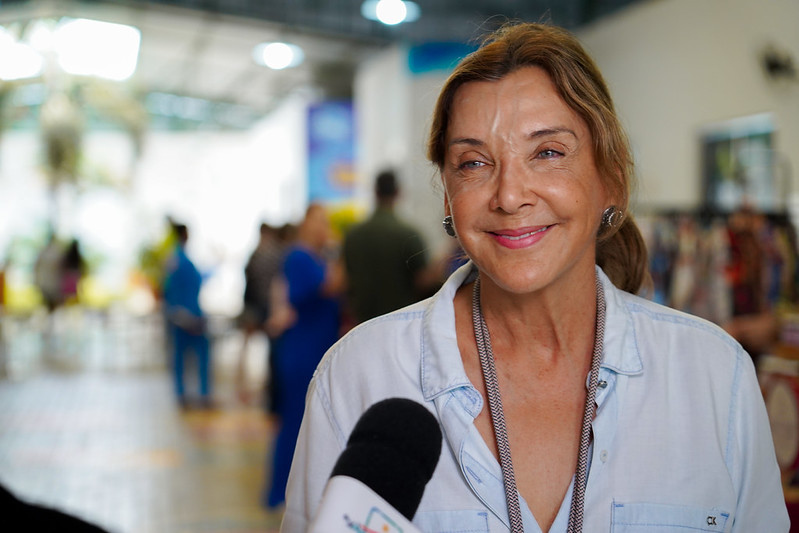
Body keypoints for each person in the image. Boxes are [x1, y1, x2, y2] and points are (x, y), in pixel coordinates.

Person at [281, 22, 788, 532]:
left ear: (610, 178)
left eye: (547, 153)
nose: (509, 195)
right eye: (474, 162)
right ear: (448, 198)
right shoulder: (358, 377)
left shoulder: (713, 376)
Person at [264, 203, 344, 510]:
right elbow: (329, 286)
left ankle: (301, 491)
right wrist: (337, 254)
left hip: (318, 346)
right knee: (295, 422)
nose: (325, 228)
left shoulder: (315, 257)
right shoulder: (300, 257)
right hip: (302, 350)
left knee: (309, 423)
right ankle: (282, 492)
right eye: (320, 221)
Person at [342, 170, 437, 324]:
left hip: (362, 322)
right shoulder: (409, 234)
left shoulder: (353, 235)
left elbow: (346, 280)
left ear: (375, 192)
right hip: (400, 322)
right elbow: (423, 281)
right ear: (398, 192)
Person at [163, 223, 212, 409]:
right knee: (190, 357)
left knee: (186, 358)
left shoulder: (177, 258)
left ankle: (188, 394)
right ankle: (195, 394)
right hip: (185, 317)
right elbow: (172, 290)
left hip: (186, 316)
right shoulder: (178, 259)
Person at [237, 222, 286, 404]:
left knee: (245, 350)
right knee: (270, 353)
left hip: (252, 307)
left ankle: (242, 388)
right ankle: (260, 390)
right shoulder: (275, 254)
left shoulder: (255, 255)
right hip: (264, 308)